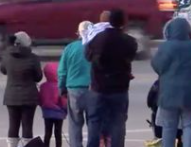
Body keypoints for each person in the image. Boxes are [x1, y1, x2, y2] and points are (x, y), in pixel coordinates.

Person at [85, 9, 138, 147]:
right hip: (119, 87)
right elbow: (131, 56)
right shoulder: (129, 41)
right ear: (123, 22)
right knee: (118, 122)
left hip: (98, 86)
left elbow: (88, 56)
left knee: (94, 121)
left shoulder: (98, 38)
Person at [152, 18, 191, 147]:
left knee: (169, 127)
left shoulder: (165, 47)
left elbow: (157, 65)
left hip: (169, 94)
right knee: (190, 126)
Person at [0, 31, 42, 147]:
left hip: (11, 96)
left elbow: (3, 70)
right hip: (29, 97)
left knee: (13, 125)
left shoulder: (7, 56)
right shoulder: (33, 58)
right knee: (27, 126)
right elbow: (38, 77)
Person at [58, 21, 92, 147]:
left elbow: (62, 71)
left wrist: (61, 88)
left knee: (75, 123)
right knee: (93, 122)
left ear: (78, 33)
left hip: (74, 90)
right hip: (93, 89)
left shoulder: (70, 48)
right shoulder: (95, 47)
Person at [39, 62, 67, 147]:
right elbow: (64, 101)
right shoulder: (60, 86)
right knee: (58, 133)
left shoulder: (43, 86)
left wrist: (43, 107)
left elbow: (40, 99)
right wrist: (65, 111)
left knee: (47, 132)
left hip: (47, 113)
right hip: (59, 113)